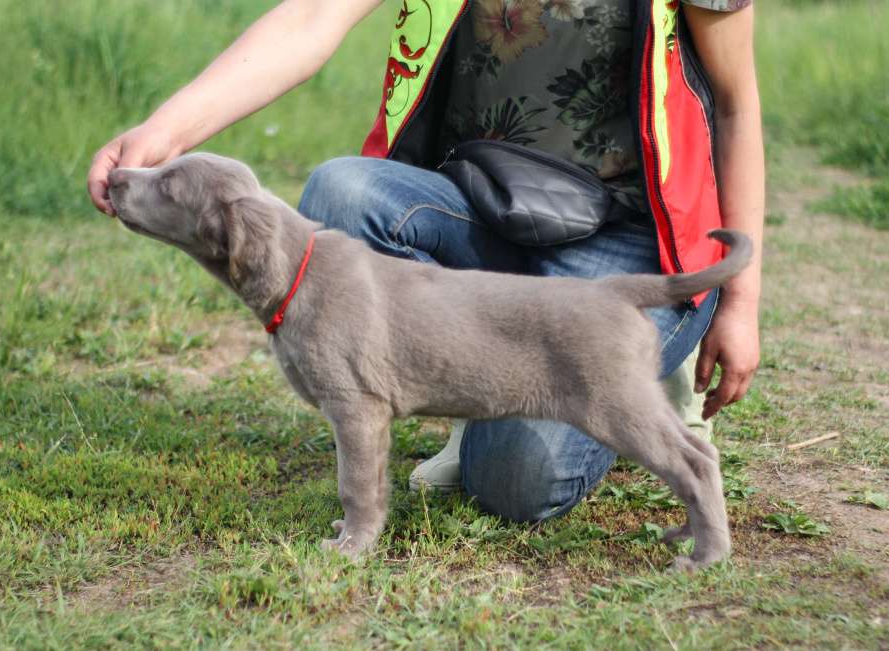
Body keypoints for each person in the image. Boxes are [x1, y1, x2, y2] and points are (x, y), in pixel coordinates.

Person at [89, 0, 763, 523]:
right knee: (341, 192)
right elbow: (309, 18)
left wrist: (742, 302)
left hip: (628, 240)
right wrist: (162, 135)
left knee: (515, 477)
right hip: (482, 204)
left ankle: (633, 367)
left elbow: (735, 106)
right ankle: (489, 359)